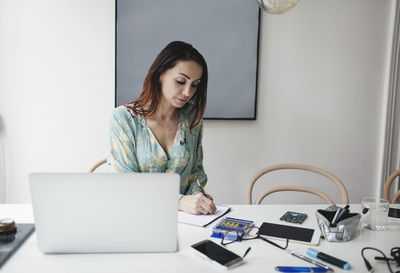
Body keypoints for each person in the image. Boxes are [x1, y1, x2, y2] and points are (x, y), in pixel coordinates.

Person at [108, 41, 216, 215]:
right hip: (134, 217)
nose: (188, 92)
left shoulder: (192, 121)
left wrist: (198, 197)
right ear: (160, 74)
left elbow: (196, 174)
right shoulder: (123, 119)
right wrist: (179, 201)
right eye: (181, 81)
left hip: (183, 222)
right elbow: (124, 184)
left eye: (195, 85)